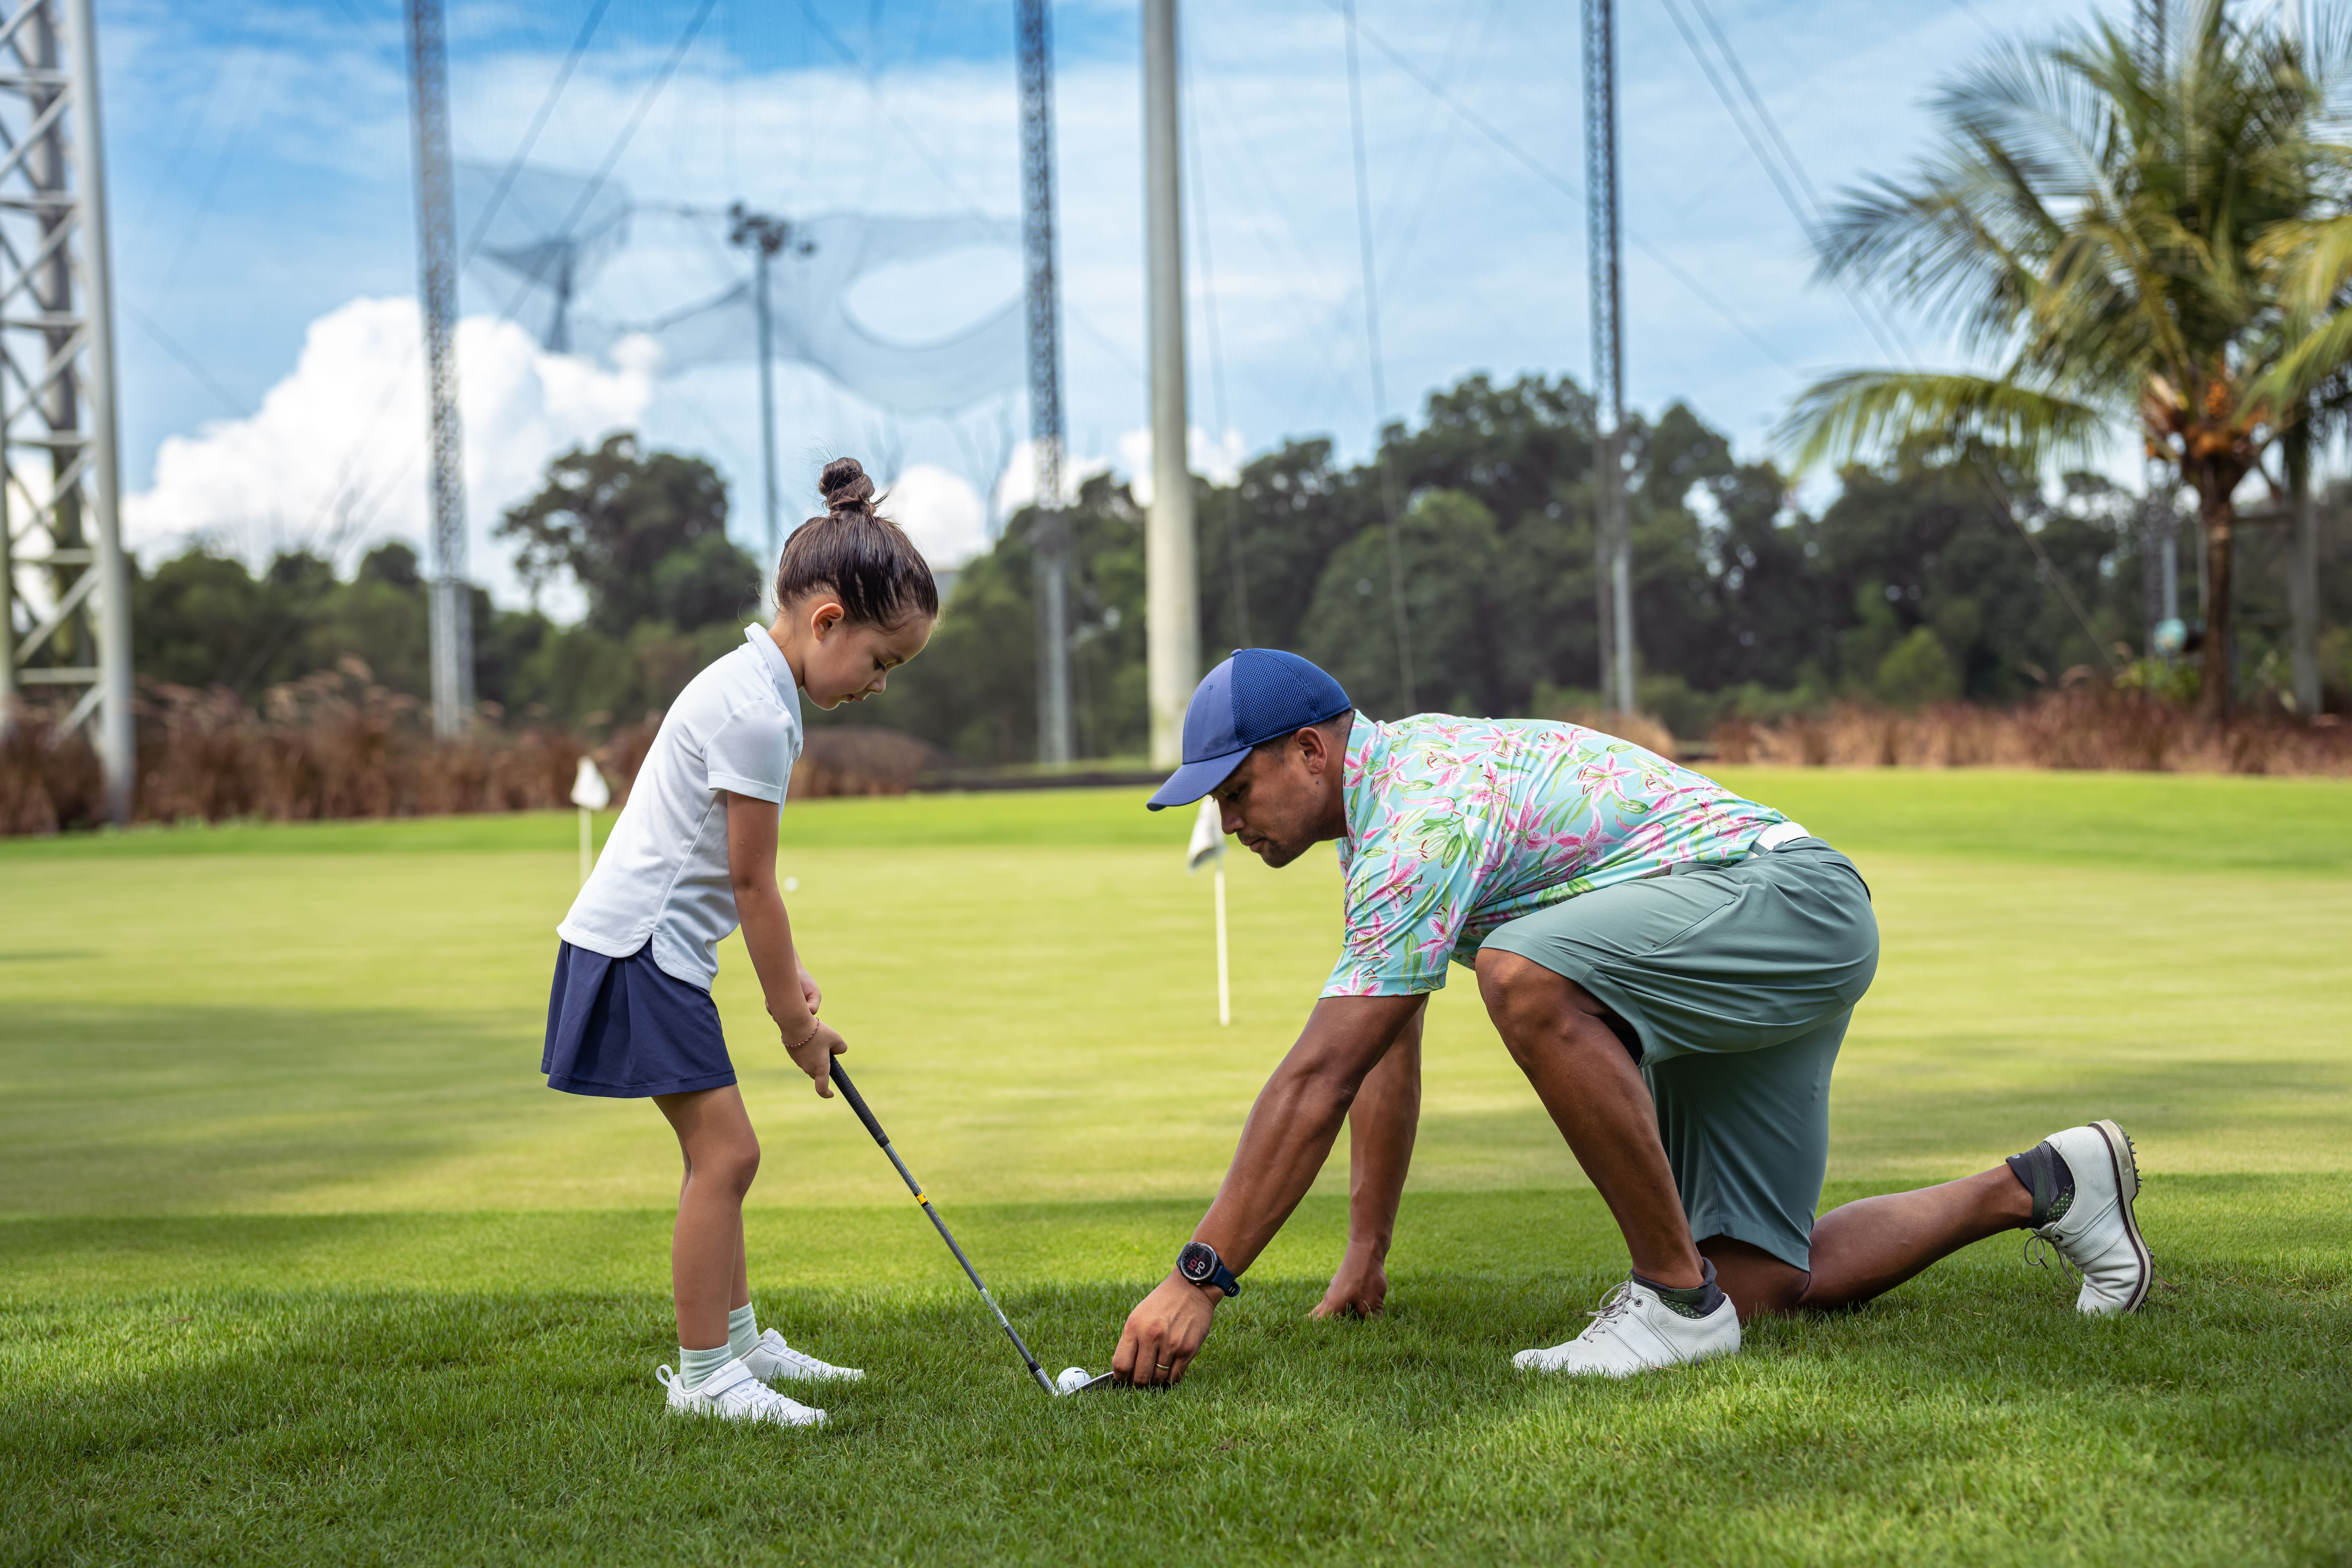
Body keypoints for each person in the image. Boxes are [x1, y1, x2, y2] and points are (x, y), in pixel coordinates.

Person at [1112, 649, 2151, 1385]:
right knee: (1760, 1286)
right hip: (1749, 935)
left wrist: (1200, 1279)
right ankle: (2051, 1183)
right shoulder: (1383, 821)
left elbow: (1317, 1077)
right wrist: (1364, 1253)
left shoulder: (1419, 816)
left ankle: (1670, 1302)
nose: (1229, 820)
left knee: (1523, 977)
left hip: (1789, 904)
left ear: (1308, 752)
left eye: (1237, 790)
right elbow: (1384, 1052)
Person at [542, 458, 937, 1427]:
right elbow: (754, 881)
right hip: (637, 953)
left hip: (653, 951)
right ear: (828, 621)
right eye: (881, 662)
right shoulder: (758, 715)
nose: (880, 686)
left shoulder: (755, 689)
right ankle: (708, 1376)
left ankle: (741, 1343)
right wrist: (793, 1026)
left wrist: (788, 980)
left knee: (719, 1153)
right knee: (728, 1155)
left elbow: (730, 876)